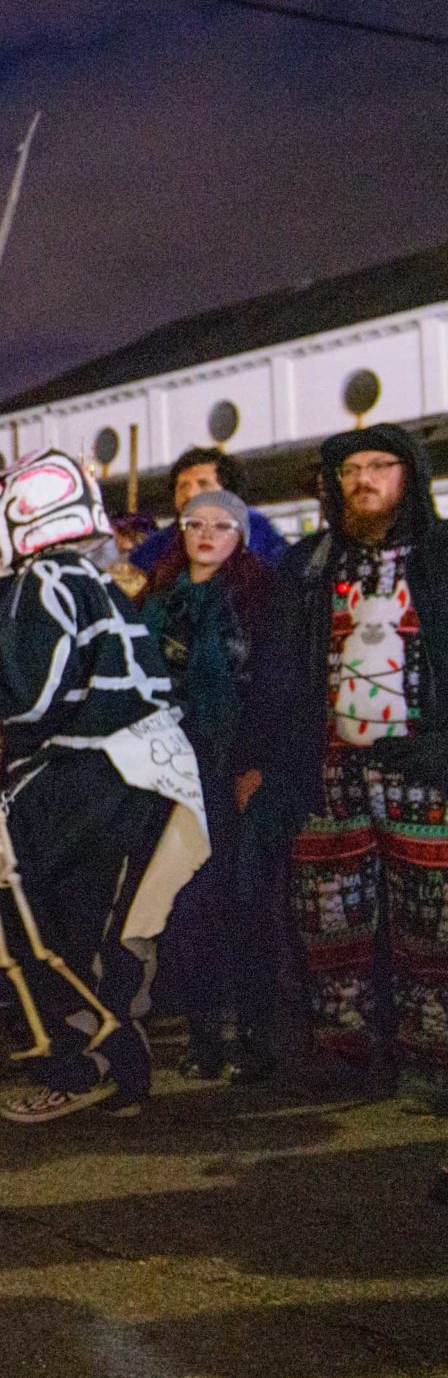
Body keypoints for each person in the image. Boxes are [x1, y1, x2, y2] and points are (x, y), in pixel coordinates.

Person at [0, 449, 205, 1123]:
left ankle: (74, 1061)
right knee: (101, 927)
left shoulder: (46, 576)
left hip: (92, 769)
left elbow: (30, 693)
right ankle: (114, 1065)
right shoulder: (86, 577)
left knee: (15, 916)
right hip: (136, 768)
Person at [252, 425, 448, 1080]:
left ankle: (432, 1053)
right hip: (328, 768)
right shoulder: (310, 565)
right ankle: (346, 1050)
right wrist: (265, 761)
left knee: (434, 919)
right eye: (349, 469)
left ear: (408, 475)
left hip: (424, 766)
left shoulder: (442, 557)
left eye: (378, 465)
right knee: (329, 919)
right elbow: (275, 670)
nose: (362, 479)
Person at [138, 485, 276, 1081]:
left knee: (238, 900)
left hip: (231, 770)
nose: (207, 535)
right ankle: (201, 1034)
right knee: (185, 904)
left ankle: (249, 1031)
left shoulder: (258, 598)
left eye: (222, 526)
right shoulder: (157, 599)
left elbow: (270, 686)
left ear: (239, 536)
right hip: (168, 768)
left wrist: (257, 762)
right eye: (196, 523)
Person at [128, 446, 290, 575]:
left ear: (228, 492)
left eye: (203, 484)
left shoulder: (259, 534)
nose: (190, 494)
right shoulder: (157, 547)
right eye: (183, 486)